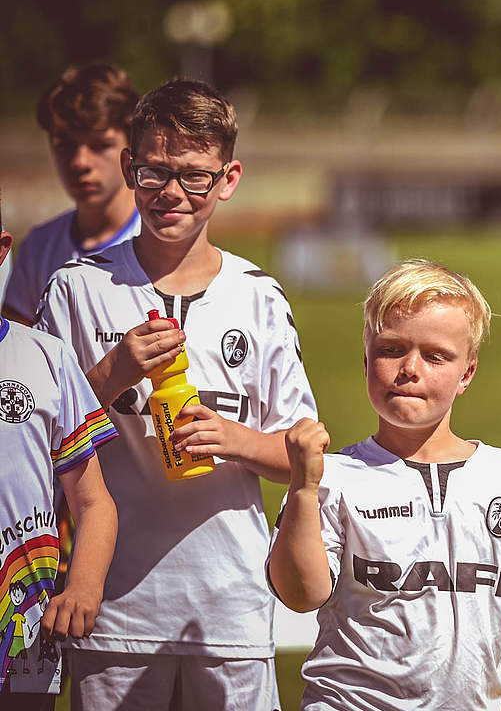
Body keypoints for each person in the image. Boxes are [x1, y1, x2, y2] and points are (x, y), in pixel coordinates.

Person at [34, 79, 317, 711]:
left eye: (195, 176)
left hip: (231, 614)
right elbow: (33, 443)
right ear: (130, 169)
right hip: (112, 614)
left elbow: (306, 459)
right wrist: (109, 374)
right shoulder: (76, 290)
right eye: (156, 171)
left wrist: (235, 439)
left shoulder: (259, 298)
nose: (172, 193)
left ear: (229, 178)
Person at [268, 259, 501, 711]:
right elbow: (300, 595)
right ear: (366, 359)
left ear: (467, 373)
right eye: (392, 349)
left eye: (435, 356)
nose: (409, 368)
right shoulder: (333, 477)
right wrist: (301, 489)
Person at [0, 203, 118, 710]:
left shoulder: (47, 357)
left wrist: (84, 588)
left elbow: (93, 503)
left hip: (25, 634)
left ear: (2, 249)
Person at [4, 63, 141, 325]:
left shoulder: (158, 244)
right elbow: (16, 354)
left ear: (131, 149)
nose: (80, 162)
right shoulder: (38, 247)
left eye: (100, 145)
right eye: (65, 144)